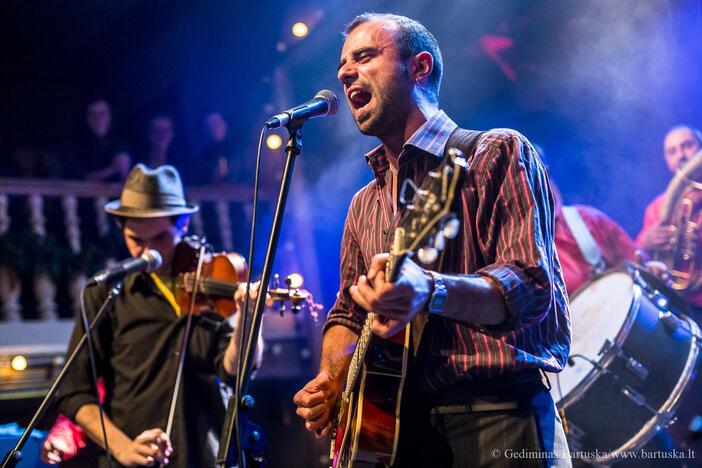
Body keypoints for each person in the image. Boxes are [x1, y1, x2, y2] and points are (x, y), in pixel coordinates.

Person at [293, 13, 571, 467]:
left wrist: (431, 290)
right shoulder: (365, 203)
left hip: (495, 411)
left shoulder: (494, 153)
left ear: (419, 67)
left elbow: (529, 283)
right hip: (399, 430)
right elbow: (347, 311)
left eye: (364, 57)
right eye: (344, 65)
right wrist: (332, 378)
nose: (345, 73)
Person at [57, 164, 261, 467]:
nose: (148, 253)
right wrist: (123, 448)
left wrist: (247, 318)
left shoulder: (215, 279)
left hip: (206, 456)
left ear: (184, 224)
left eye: (161, 239)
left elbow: (234, 372)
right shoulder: (106, 292)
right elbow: (74, 392)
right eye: (136, 240)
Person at [636, 125, 702, 307]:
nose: (681, 155)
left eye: (687, 145)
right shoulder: (657, 207)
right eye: (672, 152)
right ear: (667, 161)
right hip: (678, 305)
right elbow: (641, 260)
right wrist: (645, 242)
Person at [71, 98, 131, 182]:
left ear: (110, 117)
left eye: (102, 114)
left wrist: (124, 170)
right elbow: (79, 178)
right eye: (93, 115)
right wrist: (112, 169)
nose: (98, 119)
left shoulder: (119, 145)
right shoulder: (76, 146)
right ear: (87, 119)